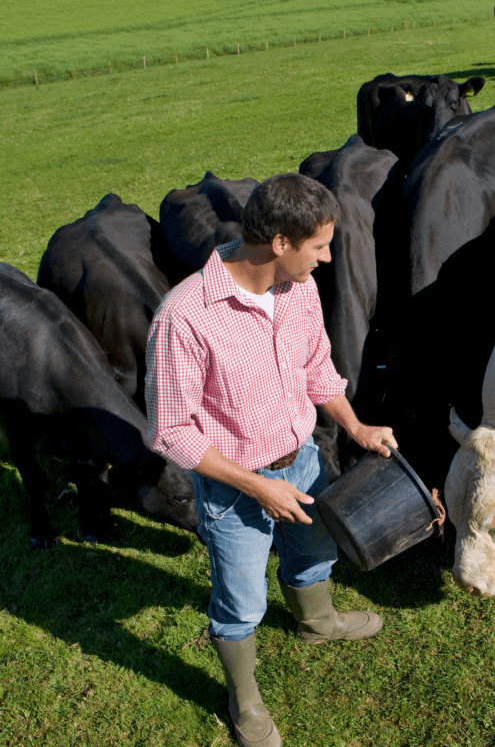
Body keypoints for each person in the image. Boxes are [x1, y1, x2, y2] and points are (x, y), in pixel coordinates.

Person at [146, 172, 396, 747]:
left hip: (303, 462)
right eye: (319, 246)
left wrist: (355, 426)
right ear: (279, 243)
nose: (329, 258)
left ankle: (317, 621)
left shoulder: (298, 287)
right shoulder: (184, 317)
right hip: (236, 489)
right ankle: (246, 701)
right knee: (241, 599)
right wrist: (261, 489)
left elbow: (314, 367)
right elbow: (171, 433)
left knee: (314, 550)